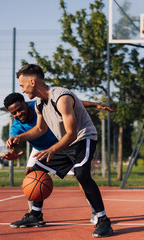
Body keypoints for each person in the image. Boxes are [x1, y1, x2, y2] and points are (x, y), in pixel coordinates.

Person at [6, 64, 113, 238]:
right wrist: (20, 138)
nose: (23, 90)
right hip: (65, 142)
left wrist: (52, 149)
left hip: (83, 138)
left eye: (23, 85)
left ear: (32, 81)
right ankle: (35, 215)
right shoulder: (40, 103)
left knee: (81, 173)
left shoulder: (61, 97)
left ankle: (103, 220)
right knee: (36, 170)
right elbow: (39, 129)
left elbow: (71, 133)